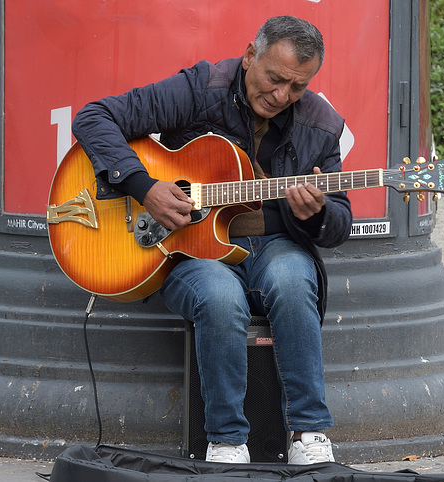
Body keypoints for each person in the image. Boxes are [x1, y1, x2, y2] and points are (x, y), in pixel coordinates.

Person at [72, 16, 352, 464]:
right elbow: (95, 117)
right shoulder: (199, 89)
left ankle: (310, 435)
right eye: (274, 79)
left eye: (297, 87)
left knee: (295, 282)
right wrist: (144, 187)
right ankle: (226, 441)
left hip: (274, 246)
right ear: (248, 57)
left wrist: (317, 215)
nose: (281, 96)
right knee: (221, 297)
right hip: (191, 249)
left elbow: (339, 222)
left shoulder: (320, 124)